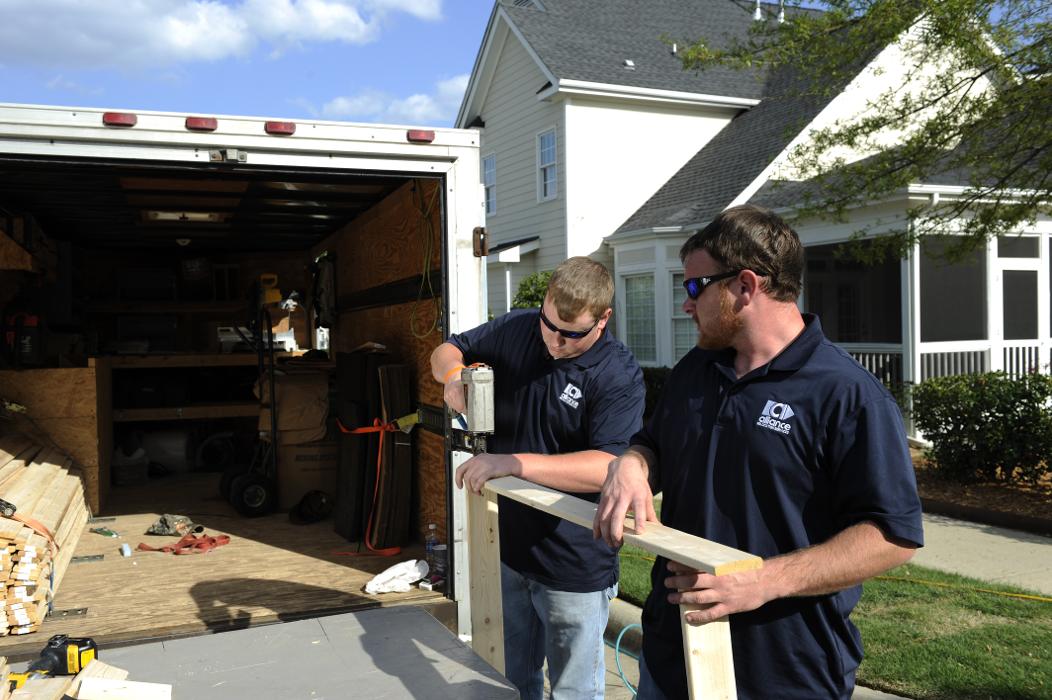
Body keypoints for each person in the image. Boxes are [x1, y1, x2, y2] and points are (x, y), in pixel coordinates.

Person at [592, 205, 924, 700]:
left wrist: (760, 581)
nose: (686, 304)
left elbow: (892, 535)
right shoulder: (696, 370)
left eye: (694, 287)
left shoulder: (846, 394)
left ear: (745, 286)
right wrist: (632, 463)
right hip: (670, 659)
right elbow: (655, 444)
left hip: (783, 675)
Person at [431, 256, 645, 699]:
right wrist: (453, 378)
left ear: (603, 319)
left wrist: (512, 463)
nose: (555, 340)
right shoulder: (519, 327)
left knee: (573, 691)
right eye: (549, 325)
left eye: (572, 333)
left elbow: (607, 464)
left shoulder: (617, 374)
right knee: (510, 682)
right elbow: (447, 349)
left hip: (573, 562)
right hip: (508, 549)